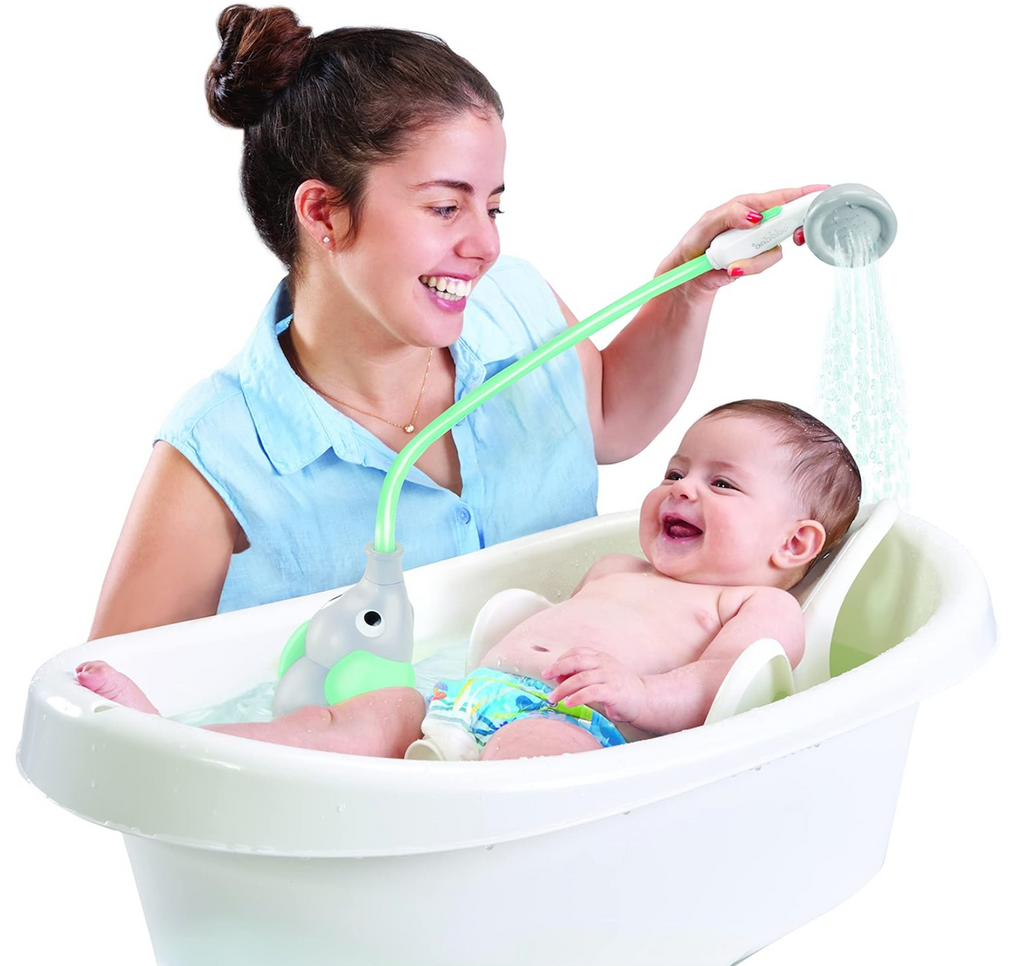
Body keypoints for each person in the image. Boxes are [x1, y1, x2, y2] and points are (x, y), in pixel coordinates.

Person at [89, 3, 822, 640]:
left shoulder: (513, 302)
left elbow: (611, 418)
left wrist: (687, 287)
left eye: (492, 205)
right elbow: (115, 719)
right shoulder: (217, 455)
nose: (486, 244)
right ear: (323, 212)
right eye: (446, 207)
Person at [77, 399, 862, 760]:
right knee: (372, 713)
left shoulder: (754, 603)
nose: (682, 488)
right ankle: (181, 744)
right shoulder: (618, 564)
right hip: (462, 706)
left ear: (794, 541)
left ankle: (431, 847)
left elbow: (725, 685)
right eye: (676, 469)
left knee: (530, 756)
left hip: (578, 729)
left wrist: (639, 694)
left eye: (723, 486)